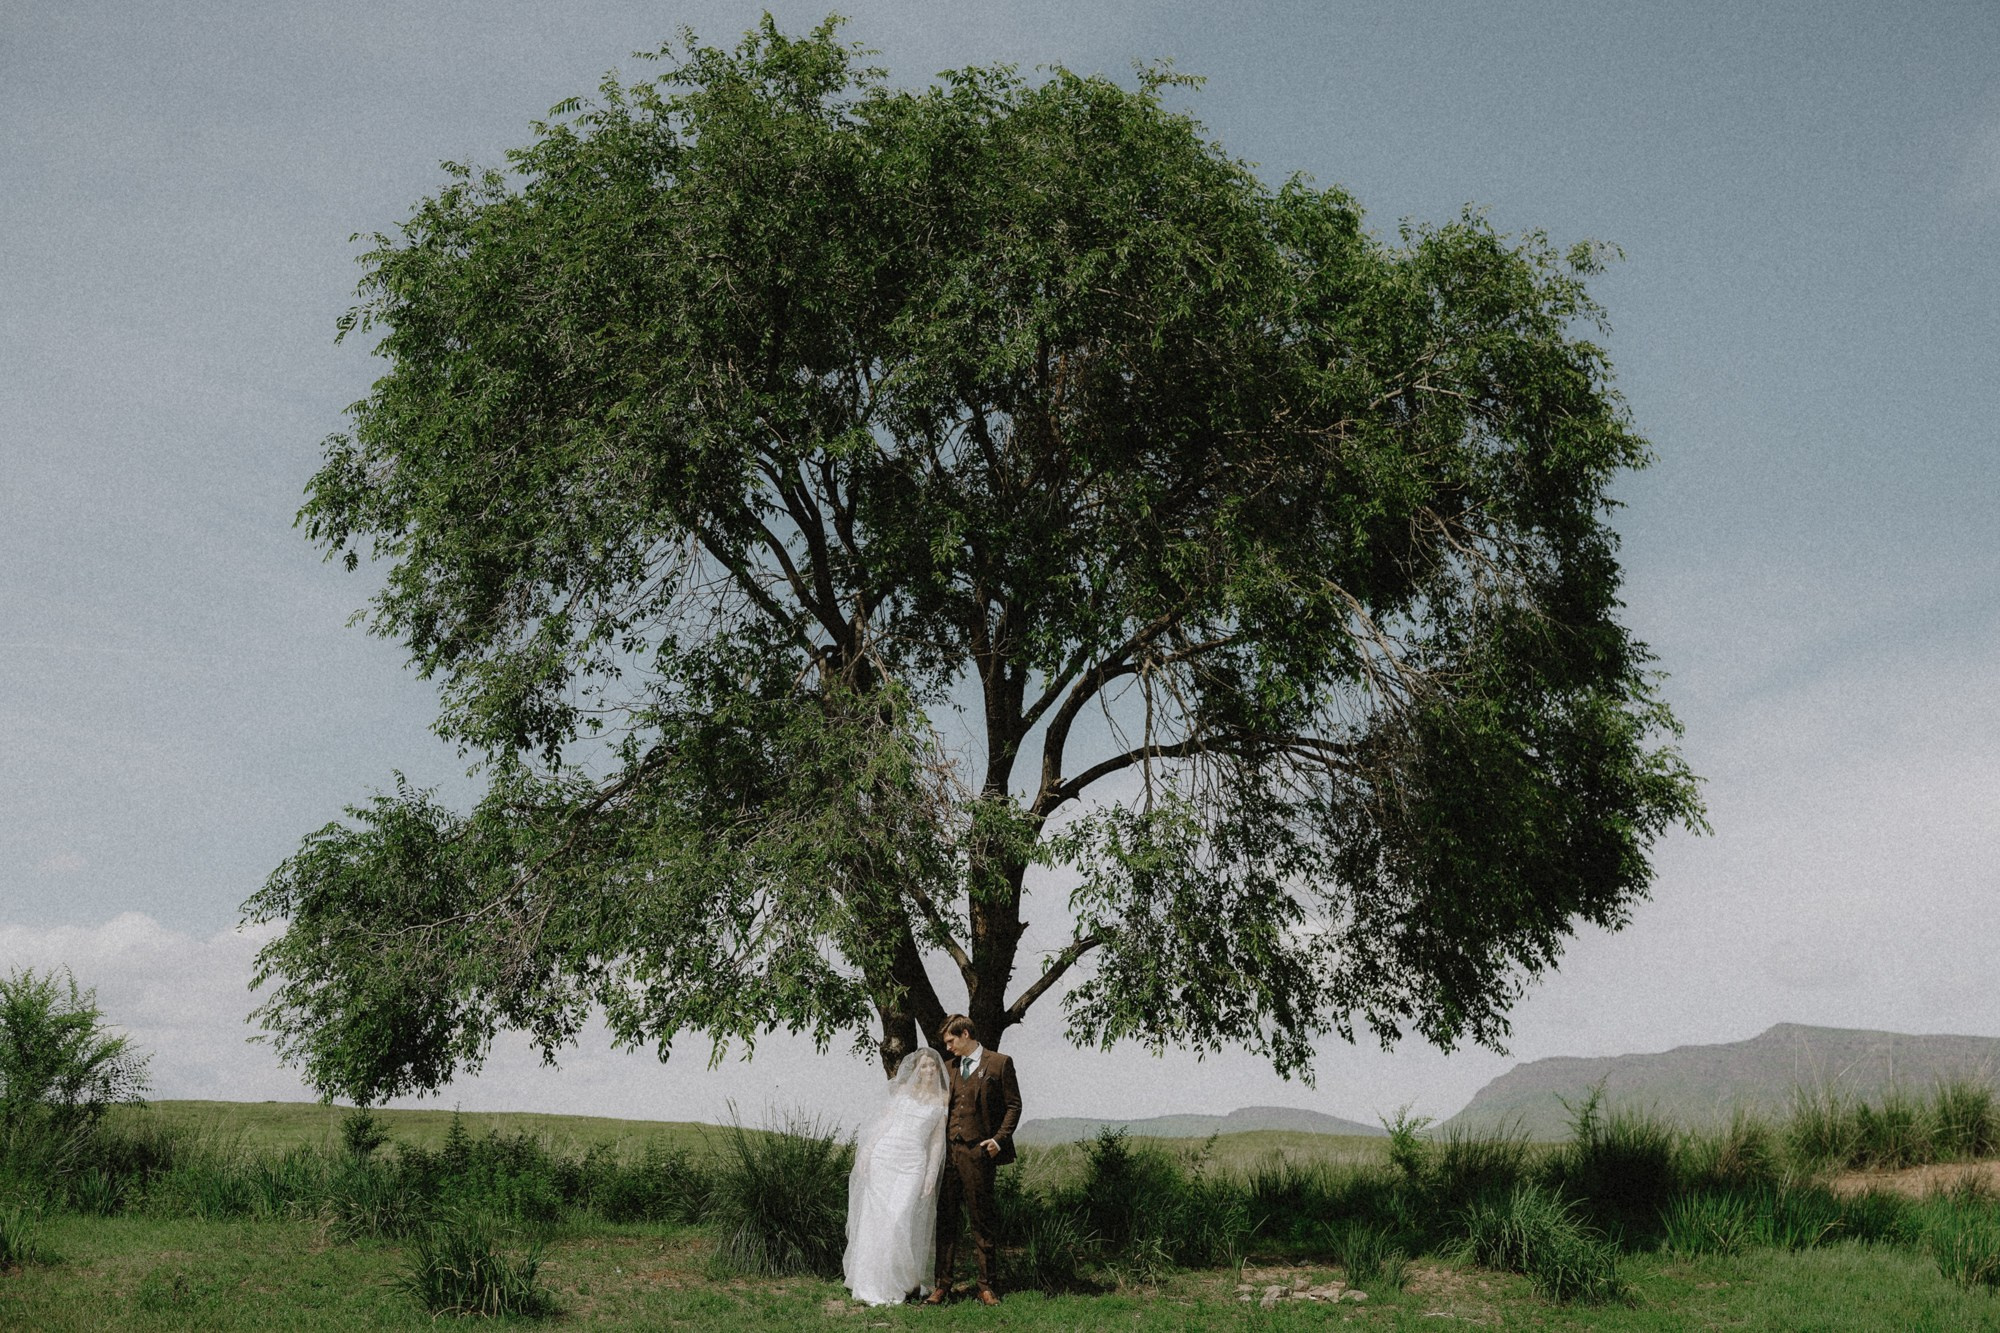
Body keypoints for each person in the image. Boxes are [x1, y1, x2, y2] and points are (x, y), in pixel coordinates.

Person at [843, 1046, 950, 1305]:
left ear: (938, 1069)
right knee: (876, 1218)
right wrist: (867, 1151)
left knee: (898, 1218)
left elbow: (936, 1142)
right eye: (923, 1066)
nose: (928, 1070)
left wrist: (930, 1175)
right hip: (885, 1156)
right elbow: (884, 1123)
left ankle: (899, 1278)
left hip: (913, 1163)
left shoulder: (943, 1099)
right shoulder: (903, 1092)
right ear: (916, 1070)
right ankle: (873, 1281)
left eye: (932, 1065)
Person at [927, 1014, 1022, 1307]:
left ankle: (986, 1286)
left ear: (965, 1034)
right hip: (949, 1154)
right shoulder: (948, 1067)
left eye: (951, 1041)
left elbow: (1013, 1105)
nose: (949, 1047)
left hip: (978, 1154)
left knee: (982, 1221)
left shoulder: (999, 1062)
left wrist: (998, 1139)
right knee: (946, 1221)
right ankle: (942, 1285)